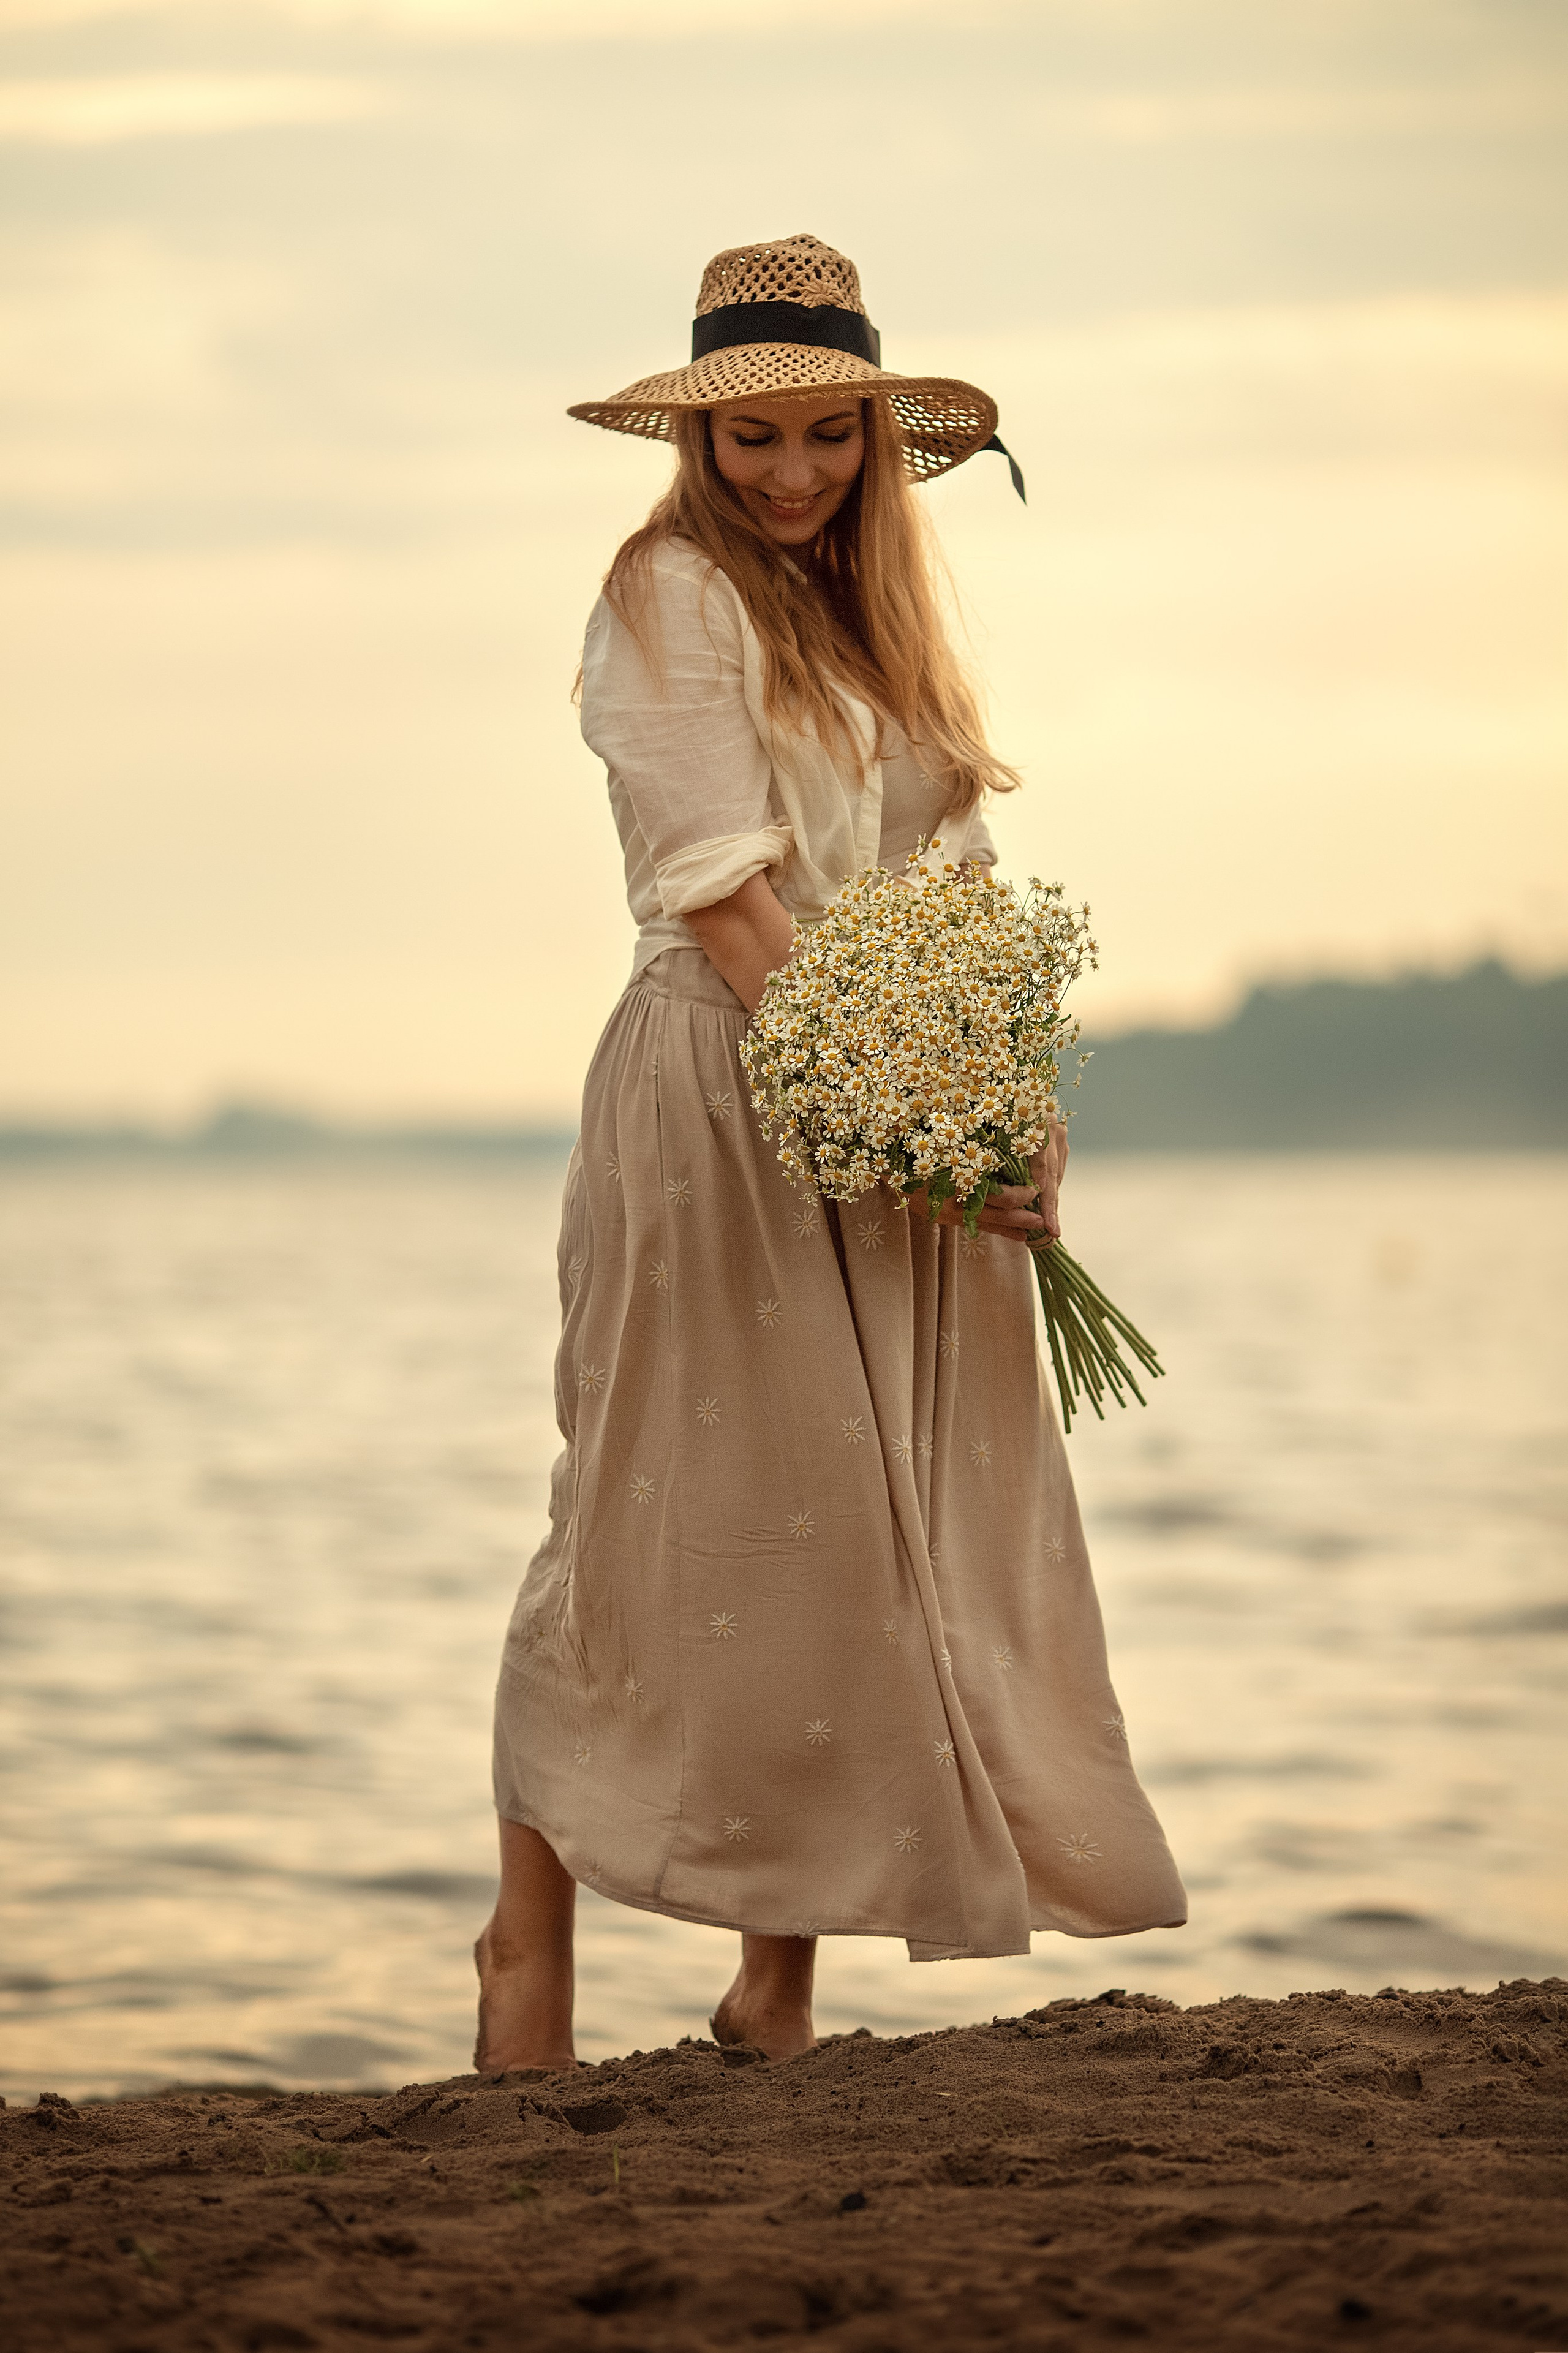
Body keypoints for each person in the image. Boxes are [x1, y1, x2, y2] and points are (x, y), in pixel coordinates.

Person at [476, 233, 1185, 2071]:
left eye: (826, 438)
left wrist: (1011, 1117)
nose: (789, 474)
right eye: (752, 441)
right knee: (638, 1508)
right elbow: (720, 892)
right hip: (725, 1086)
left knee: (862, 1528)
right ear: (699, 447)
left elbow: (957, 888)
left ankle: (774, 1978)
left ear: (877, 440)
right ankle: (524, 1928)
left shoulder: (879, 623)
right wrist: (886, 1105)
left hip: (886, 1088)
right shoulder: (664, 593)